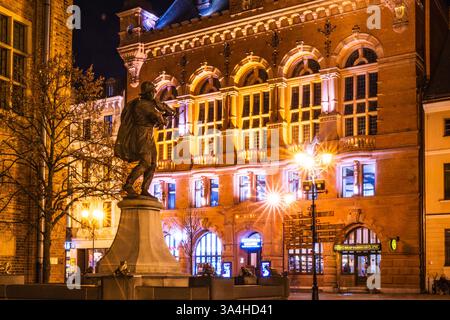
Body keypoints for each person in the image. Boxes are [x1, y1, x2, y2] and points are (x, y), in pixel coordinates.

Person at [115, 82, 176, 198]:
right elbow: (159, 118)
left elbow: (165, 116)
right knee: (146, 162)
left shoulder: (149, 104)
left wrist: (162, 110)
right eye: (153, 92)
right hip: (141, 135)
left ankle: (145, 189)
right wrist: (161, 108)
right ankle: (128, 184)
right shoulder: (142, 105)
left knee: (153, 164)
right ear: (148, 93)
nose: (154, 94)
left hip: (149, 135)